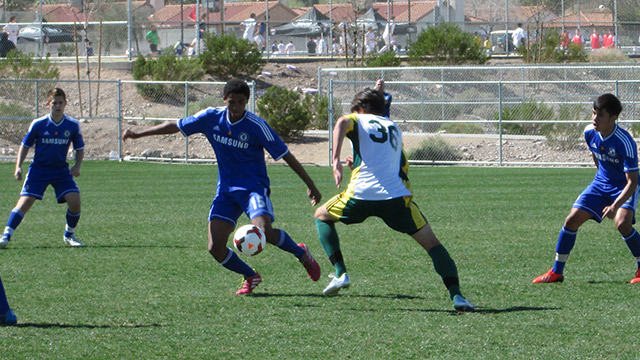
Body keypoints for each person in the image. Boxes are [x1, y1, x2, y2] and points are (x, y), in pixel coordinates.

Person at [121, 79, 323, 295]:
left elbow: (286, 155)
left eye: (241, 103)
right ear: (224, 100)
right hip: (226, 191)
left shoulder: (256, 126)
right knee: (215, 247)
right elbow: (176, 125)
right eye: (232, 102)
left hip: (254, 188)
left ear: (247, 102)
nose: (236, 107)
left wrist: (310, 184)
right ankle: (250, 276)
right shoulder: (210, 117)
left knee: (265, 231)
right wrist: (139, 133)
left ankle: (301, 253)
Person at [313, 88, 475, 311]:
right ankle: (457, 295)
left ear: (360, 110)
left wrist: (335, 161)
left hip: (361, 195)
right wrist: (359, 164)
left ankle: (341, 273)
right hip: (396, 199)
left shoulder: (356, 118)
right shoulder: (394, 129)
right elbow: (399, 166)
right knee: (433, 244)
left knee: (321, 216)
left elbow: (341, 122)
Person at [533, 94, 640, 285]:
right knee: (571, 220)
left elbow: (632, 181)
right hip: (600, 184)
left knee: (623, 223)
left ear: (613, 118)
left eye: (600, 115)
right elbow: (597, 155)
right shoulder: (589, 132)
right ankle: (556, 272)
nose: (594, 119)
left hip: (624, 186)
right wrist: (600, 183)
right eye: (593, 113)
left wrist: (615, 205)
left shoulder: (625, 142)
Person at [1, 88, 85, 249]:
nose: (58, 106)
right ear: (48, 104)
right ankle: (6, 235)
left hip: (61, 171)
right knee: (25, 202)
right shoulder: (39, 124)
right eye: (54, 103)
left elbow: (80, 148)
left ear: (65, 103)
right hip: (39, 170)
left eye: (60, 102)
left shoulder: (72, 125)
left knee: (75, 202)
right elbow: (25, 146)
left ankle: (69, 234)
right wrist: (18, 166)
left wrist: (77, 166)